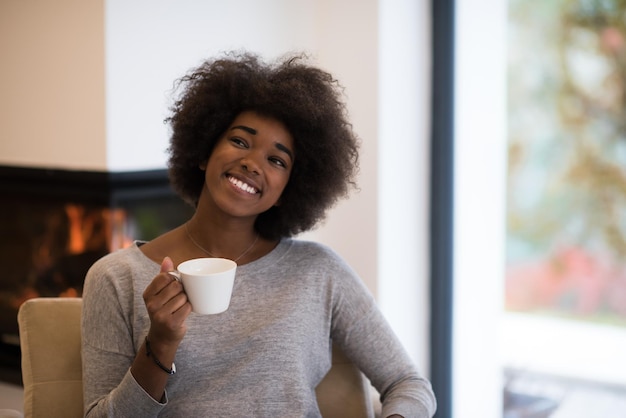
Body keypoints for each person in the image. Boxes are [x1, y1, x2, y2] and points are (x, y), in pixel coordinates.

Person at [81, 51, 437, 417]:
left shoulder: (319, 271)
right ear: (204, 151)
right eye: (240, 141)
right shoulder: (116, 278)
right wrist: (160, 342)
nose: (252, 163)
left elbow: (409, 383)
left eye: (277, 160)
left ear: (289, 189)